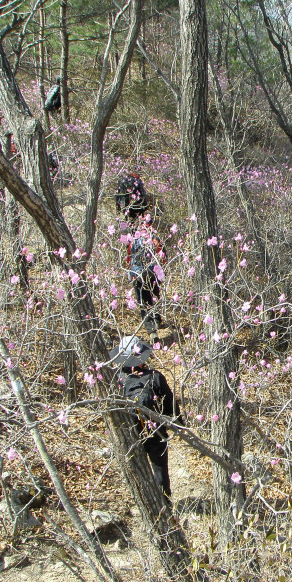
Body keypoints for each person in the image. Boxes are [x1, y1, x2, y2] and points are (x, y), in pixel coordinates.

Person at [109, 336, 180, 506]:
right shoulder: (155, 376)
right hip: (156, 433)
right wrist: (177, 423)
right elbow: (170, 403)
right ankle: (165, 503)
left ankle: (145, 504)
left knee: (138, 471)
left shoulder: (117, 380)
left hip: (130, 435)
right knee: (160, 469)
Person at [126, 217, 166, 343]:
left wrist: (132, 275)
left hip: (137, 276)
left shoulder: (133, 241)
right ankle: (157, 320)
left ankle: (151, 331)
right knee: (154, 297)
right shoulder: (155, 240)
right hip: (153, 275)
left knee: (143, 302)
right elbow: (163, 257)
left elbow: (129, 259)